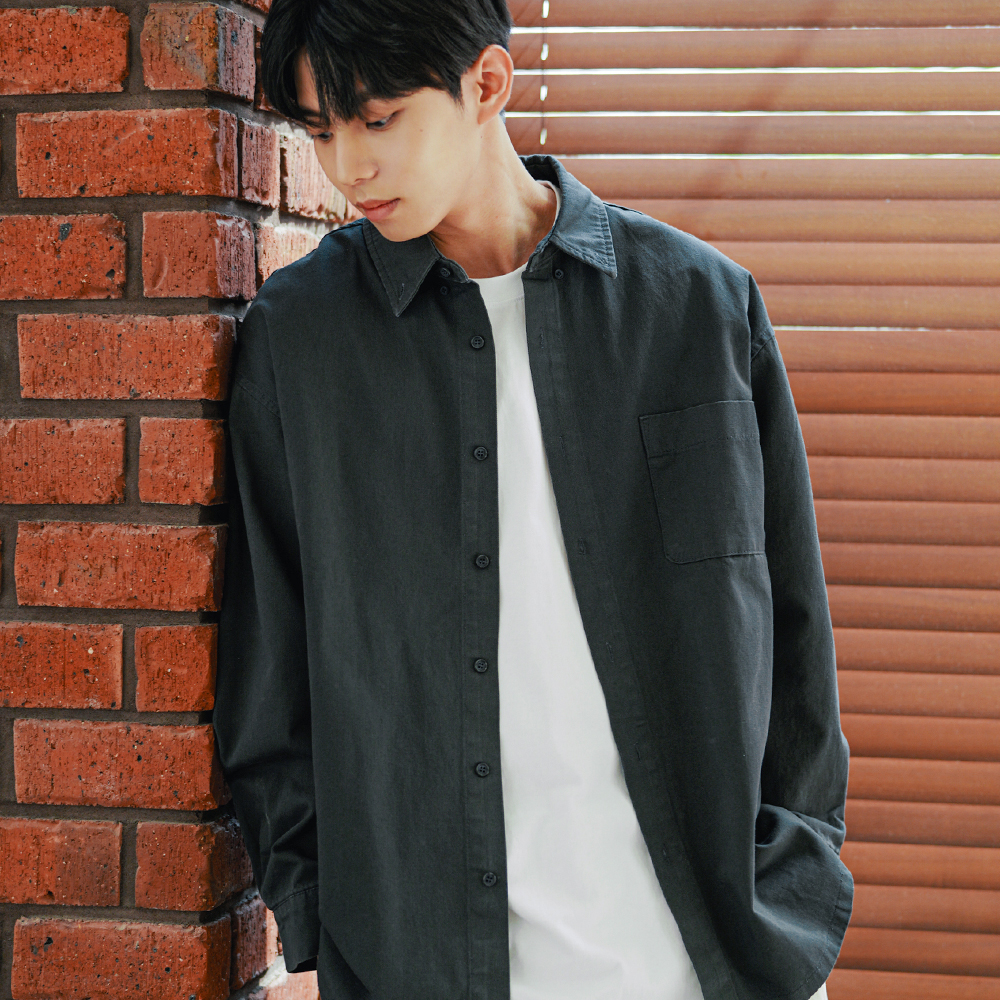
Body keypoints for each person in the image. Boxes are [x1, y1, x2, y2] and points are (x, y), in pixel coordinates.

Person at [212, 2, 852, 998]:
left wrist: (792, 893)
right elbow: (269, 682)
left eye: (376, 120)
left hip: (709, 964)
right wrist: (321, 928)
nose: (347, 167)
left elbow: (795, 637)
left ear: (488, 83)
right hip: (427, 971)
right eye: (320, 129)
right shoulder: (301, 346)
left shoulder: (697, 309)